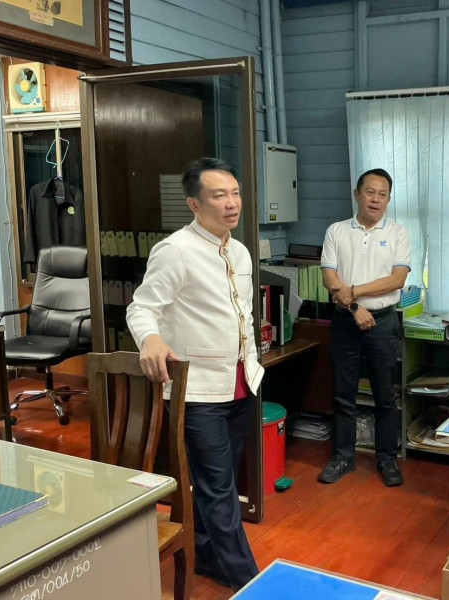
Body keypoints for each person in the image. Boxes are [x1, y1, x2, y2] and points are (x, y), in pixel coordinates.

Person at [127, 157, 263, 591]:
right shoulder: (176, 250)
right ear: (194, 204)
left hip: (241, 382)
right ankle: (250, 582)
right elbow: (142, 307)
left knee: (216, 483)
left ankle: (205, 555)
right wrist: (150, 339)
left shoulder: (239, 250)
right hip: (198, 391)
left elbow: (240, 314)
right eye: (219, 195)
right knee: (219, 488)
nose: (232, 203)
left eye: (235, 193)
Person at [319, 168, 411, 487]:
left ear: (388, 199)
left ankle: (387, 459)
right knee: (343, 394)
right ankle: (343, 457)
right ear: (357, 194)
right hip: (346, 321)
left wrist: (354, 292)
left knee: (385, 395)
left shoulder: (398, 232)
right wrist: (355, 307)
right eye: (369, 192)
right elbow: (330, 279)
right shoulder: (337, 231)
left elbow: (397, 279)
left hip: (383, 322)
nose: (375, 199)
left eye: (382, 194)